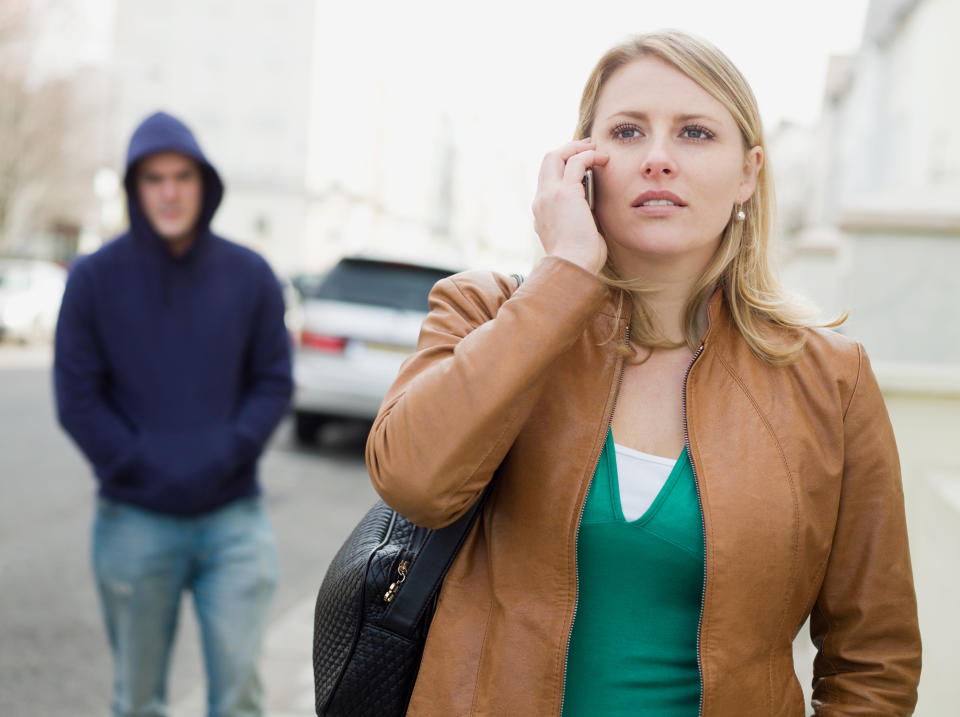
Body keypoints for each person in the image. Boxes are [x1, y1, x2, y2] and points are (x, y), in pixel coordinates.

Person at [365, 31, 921, 716]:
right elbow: (415, 481)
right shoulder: (486, 312)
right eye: (627, 132)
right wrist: (566, 270)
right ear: (580, 167)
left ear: (748, 172)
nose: (658, 158)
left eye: (694, 132)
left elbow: (875, 662)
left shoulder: (831, 381)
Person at [54, 111, 293, 717]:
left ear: (203, 183)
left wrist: (223, 452)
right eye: (153, 178)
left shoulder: (251, 275)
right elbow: (78, 397)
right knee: (137, 700)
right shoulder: (93, 280)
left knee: (239, 695)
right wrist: (142, 462)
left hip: (233, 519)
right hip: (134, 519)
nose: (168, 191)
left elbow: (272, 383)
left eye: (181, 176)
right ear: (135, 188)